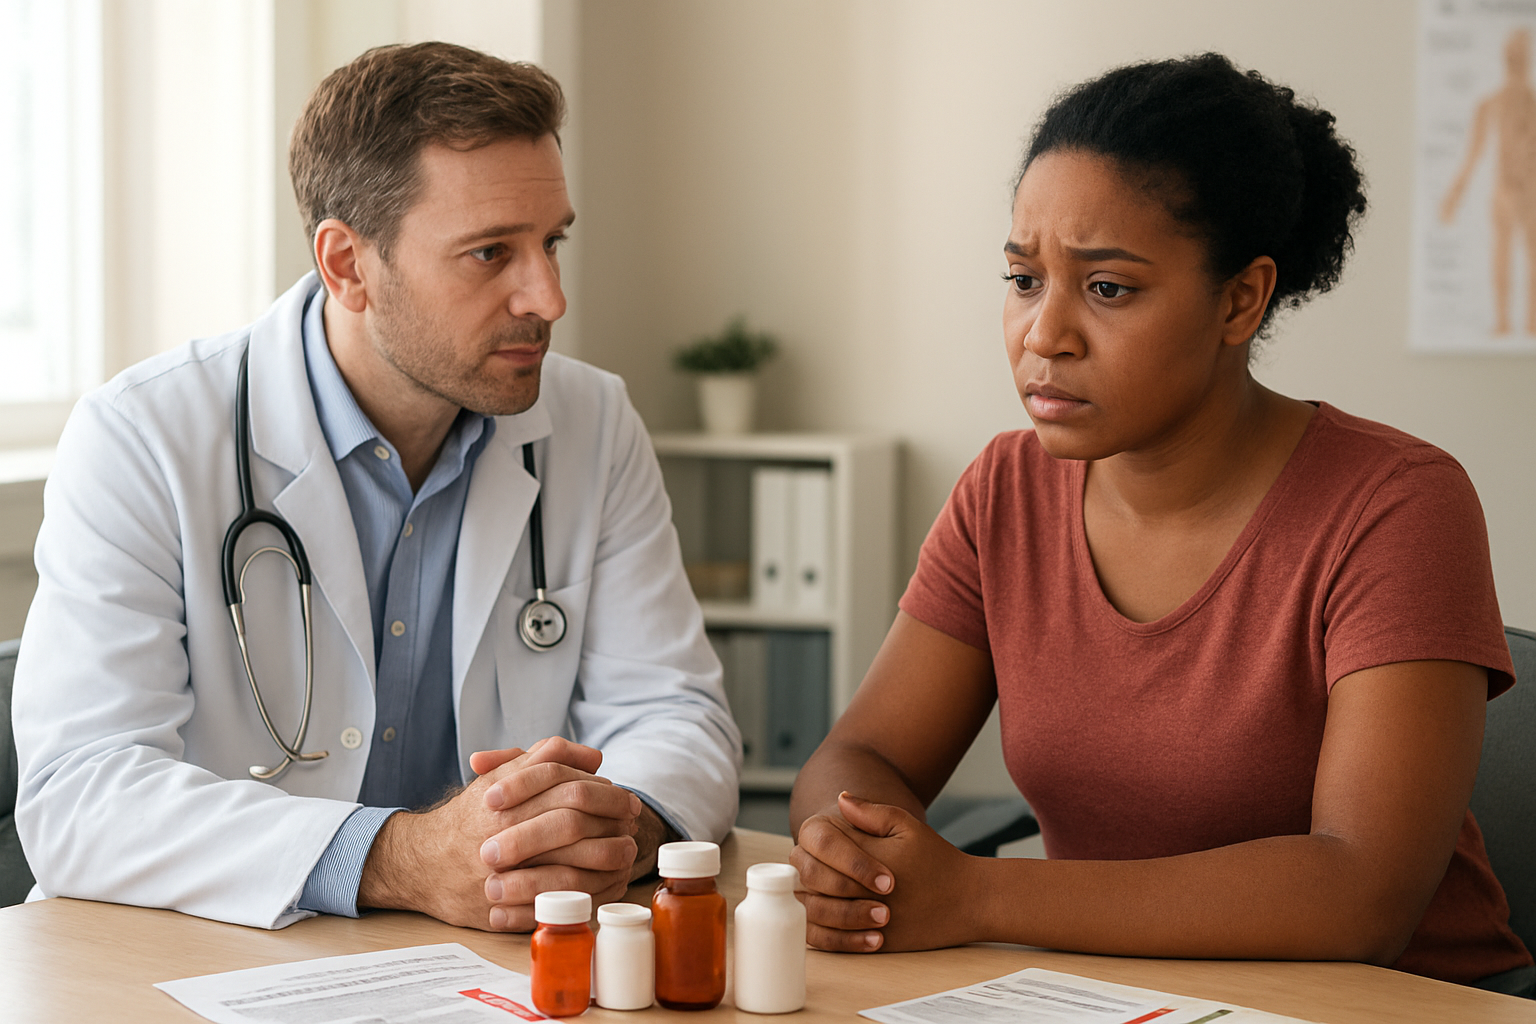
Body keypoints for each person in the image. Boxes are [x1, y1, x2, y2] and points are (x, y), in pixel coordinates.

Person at [789, 53, 1535, 996]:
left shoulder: (1395, 504)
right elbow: (865, 756)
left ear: (1240, 299)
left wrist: (977, 895)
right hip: (1113, 997)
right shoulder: (1004, 490)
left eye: (1107, 289)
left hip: (1408, 1006)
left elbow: (1362, 893)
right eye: (1024, 279)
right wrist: (852, 853)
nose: (1044, 335)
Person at [13, 42, 740, 932]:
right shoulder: (143, 436)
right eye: (489, 254)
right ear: (347, 265)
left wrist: (604, 829)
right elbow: (80, 793)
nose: (547, 297)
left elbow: (676, 713)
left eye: (550, 243)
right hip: (202, 961)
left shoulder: (592, 422)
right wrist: (399, 859)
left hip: (487, 961)